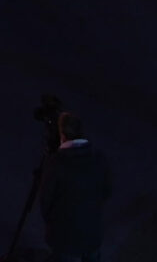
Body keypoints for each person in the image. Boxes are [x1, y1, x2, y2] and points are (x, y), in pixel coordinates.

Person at [42, 112, 112, 262]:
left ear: (62, 135)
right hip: (92, 236)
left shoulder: (56, 164)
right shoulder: (99, 159)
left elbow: (46, 204)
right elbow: (106, 192)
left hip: (65, 241)